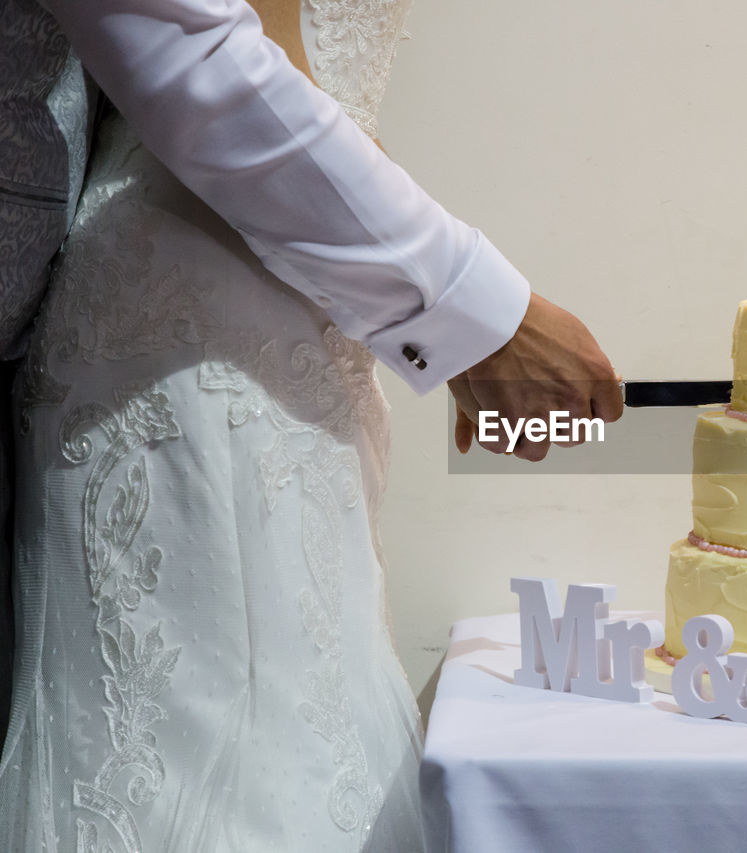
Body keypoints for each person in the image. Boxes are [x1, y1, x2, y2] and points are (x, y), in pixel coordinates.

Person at [0, 0, 622, 849]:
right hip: (199, 333)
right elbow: (212, 63)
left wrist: (439, 326)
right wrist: (480, 324)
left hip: (278, 290)